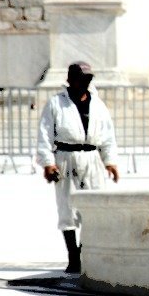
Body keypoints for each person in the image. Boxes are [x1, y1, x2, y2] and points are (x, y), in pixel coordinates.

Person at [36, 61, 119, 274]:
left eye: (88, 79)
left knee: (94, 206)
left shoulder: (98, 104)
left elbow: (107, 134)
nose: (85, 83)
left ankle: (85, 251)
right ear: (71, 79)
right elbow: (45, 134)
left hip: (92, 157)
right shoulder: (56, 104)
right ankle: (73, 256)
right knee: (67, 208)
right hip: (66, 157)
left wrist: (109, 161)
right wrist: (48, 163)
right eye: (82, 79)